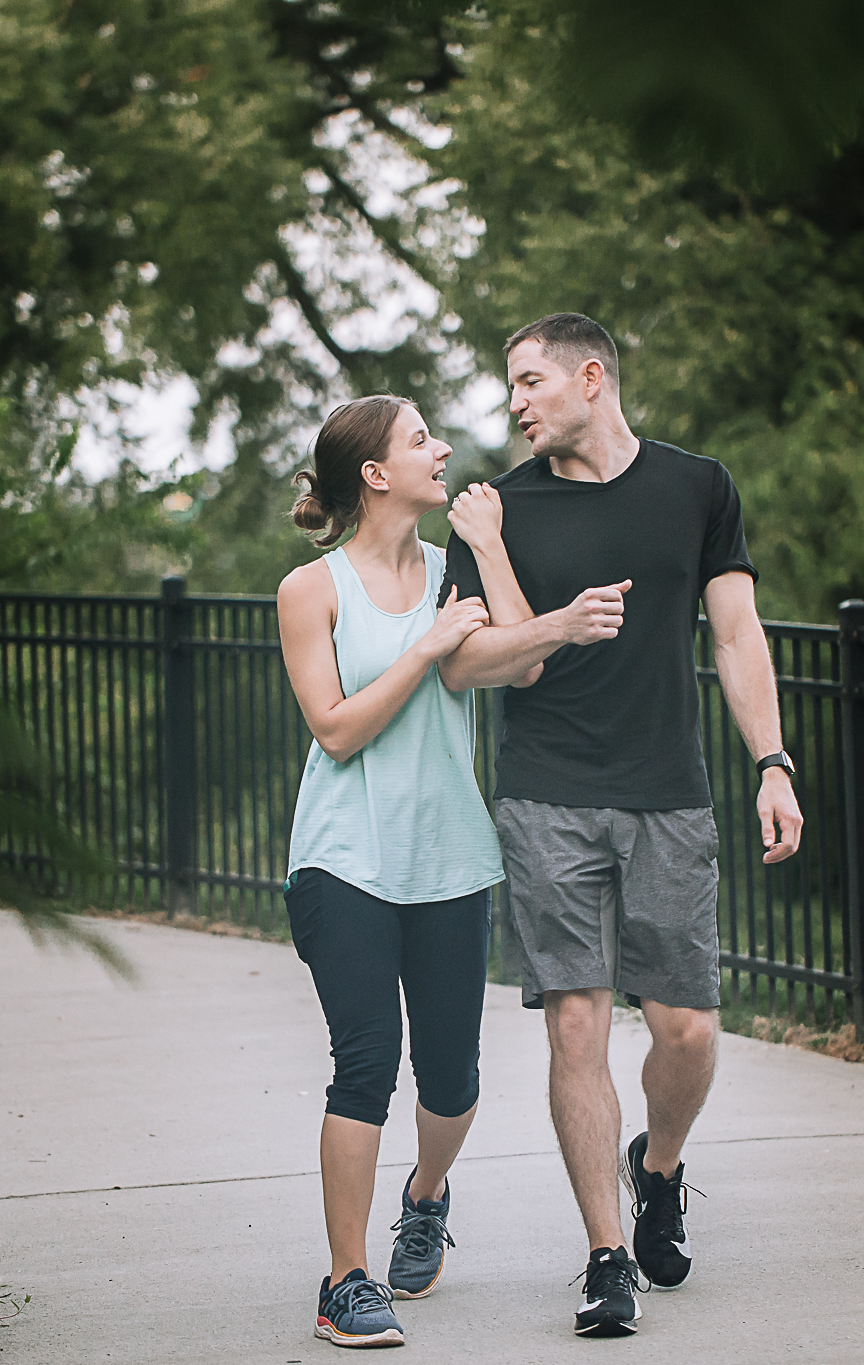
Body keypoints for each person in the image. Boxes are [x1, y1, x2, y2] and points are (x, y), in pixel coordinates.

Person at [434, 313, 804, 1339]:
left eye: (528, 382)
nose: (513, 403)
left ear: (588, 377)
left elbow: (734, 635)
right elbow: (463, 663)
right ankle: (604, 1258)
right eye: (509, 387)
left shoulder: (696, 488)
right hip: (544, 791)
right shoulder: (500, 511)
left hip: (668, 792)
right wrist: (545, 627)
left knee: (685, 1026)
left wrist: (770, 762)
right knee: (575, 1019)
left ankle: (659, 1169)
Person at [276, 394, 612, 1349]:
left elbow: (525, 662)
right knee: (366, 1060)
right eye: (421, 438)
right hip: (342, 858)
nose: (445, 448)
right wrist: (425, 645)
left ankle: (424, 1195)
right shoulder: (315, 589)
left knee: (453, 1078)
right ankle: (347, 1280)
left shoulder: (451, 571)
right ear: (376, 474)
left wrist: (491, 544)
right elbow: (336, 729)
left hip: (450, 859)